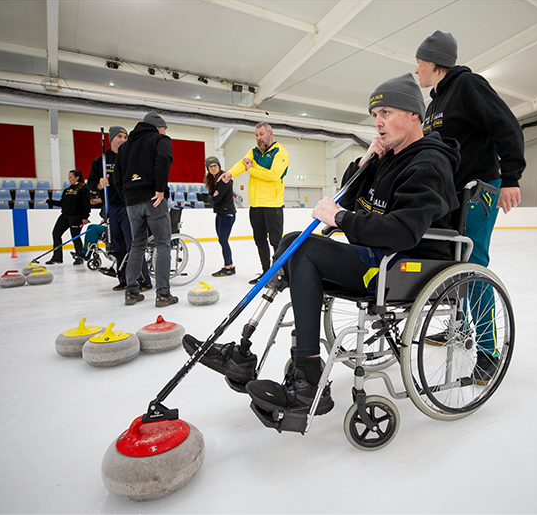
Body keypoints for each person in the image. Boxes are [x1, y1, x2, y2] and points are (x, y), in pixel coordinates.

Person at [186, 74, 460, 418]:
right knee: (291, 243)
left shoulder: (429, 163)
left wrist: (341, 219)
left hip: (401, 266)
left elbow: (403, 231)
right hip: (376, 255)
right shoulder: (389, 156)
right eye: (375, 114)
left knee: (303, 250)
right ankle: (243, 350)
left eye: (386, 113)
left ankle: (309, 376)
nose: (377, 123)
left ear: (414, 115)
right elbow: (353, 192)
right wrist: (366, 162)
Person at [414, 30, 526, 382]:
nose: (416, 70)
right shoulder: (434, 104)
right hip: (450, 193)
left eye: (419, 62)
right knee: (451, 261)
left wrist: (510, 177)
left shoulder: (469, 86)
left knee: (473, 263)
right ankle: (458, 326)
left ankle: (490, 351)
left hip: (481, 188)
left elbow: (507, 126)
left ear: (433, 62)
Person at [113, 112, 178, 307]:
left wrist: (127, 196)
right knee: (163, 243)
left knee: (137, 244)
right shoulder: (160, 139)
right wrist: (159, 188)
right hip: (153, 198)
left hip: (132, 201)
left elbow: (117, 176)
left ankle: (131, 292)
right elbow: (164, 158)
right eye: (164, 128)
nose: (165, 132)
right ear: (158, 127)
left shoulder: (125, 147)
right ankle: (163, 294)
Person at [218, 123, 288, 284]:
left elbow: (273, 175)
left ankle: (281, 274)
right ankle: (266, 273)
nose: (259, 138)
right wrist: (229, 173)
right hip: (256, 206)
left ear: (270, 133)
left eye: (262, 134)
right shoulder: (254, 152)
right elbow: (243, 163)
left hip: (273, 205)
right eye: (256, 135)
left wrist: (252, 169)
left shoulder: (280, 152)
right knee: (260, 240)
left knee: (276, 242)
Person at [86, 126, 152, 293]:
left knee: (134, 245)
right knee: (117, 246)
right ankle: (124, 279)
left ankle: (143, 280)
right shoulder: (100, 161)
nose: (123, 139)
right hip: (111, 208)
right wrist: (99, 184)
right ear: (111, 139)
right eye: (119, 136)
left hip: (129, 206)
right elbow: (90, 184)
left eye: (125, 137)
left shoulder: (131, 158)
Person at [44, 170, 91, 265]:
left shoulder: (83, 189)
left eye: (70, 177)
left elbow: (86, 204)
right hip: (65, 215)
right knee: (56, 233)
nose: (69, 179)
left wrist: (85, 217)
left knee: (75, 236)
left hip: (77, 216)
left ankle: (79, 257)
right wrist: (49, 201)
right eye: (68, 177)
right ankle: (57, 257)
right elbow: (62, 203)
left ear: (77, 177)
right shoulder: (67, 190)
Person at [204, 156, 237, 277]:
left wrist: (213, 196)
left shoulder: (224, 180)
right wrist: (213, 196)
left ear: (219, 166)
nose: (213, 168)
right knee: (222, 240)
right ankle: (230, 266)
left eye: (215, 166)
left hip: (227, 214)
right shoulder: (212, 181)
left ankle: (228, 267)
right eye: (210, 166)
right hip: (220, 213)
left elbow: (216, 198)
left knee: (223, 240)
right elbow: (212, 197)